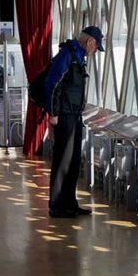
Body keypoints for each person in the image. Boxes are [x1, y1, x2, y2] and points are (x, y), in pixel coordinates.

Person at [44, 26, 104, 218]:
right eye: (96, 47)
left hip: (75, 114)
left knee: (74, 160)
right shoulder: (67, 55)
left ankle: (70, 203)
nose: (95, 51)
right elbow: (53, 83)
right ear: (90, 42)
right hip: (64, 115)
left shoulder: (78, 57)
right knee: (63, 161)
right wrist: (53, 113)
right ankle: (57, 206)